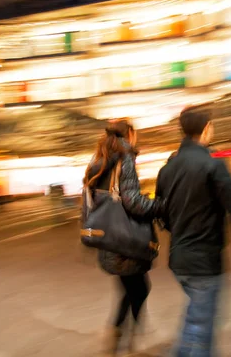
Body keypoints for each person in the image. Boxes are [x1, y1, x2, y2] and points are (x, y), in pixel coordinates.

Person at [156, 107, 231, 356]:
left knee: (195, 319)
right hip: (204, 261)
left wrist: (180, 230)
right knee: (202, 330)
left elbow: (161, 214)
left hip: (179, 259)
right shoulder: (213, 164)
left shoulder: (166, 170)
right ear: (205, 129)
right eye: (211, 125)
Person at [83, 119, 163, 355]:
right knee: (139, 288)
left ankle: (118, 334)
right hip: (125, 238)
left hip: (107, 237)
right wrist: (158, 205)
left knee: (131, 287)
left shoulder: (99, 160)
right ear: (129, 134)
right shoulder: (124, 158)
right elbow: (132, 202)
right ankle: (130, 338)